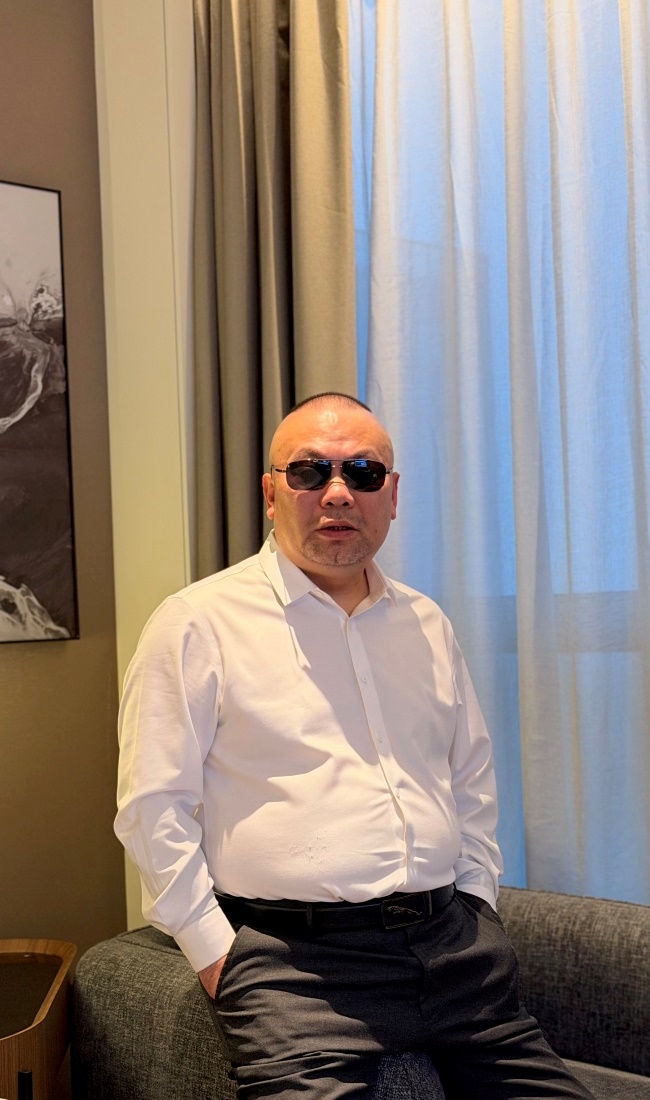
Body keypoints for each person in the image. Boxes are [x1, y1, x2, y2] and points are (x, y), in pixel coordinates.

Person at [115, 392, 595, 1100]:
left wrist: (476, 901)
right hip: (297, 968)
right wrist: (218, 955)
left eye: (363, 472)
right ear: (271, 494)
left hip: (455, 953)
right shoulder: (197, 623)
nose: (338, 492)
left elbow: (469, 780)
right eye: (310, 472)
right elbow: (152, 807)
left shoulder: (425, 622)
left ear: (391, 496)